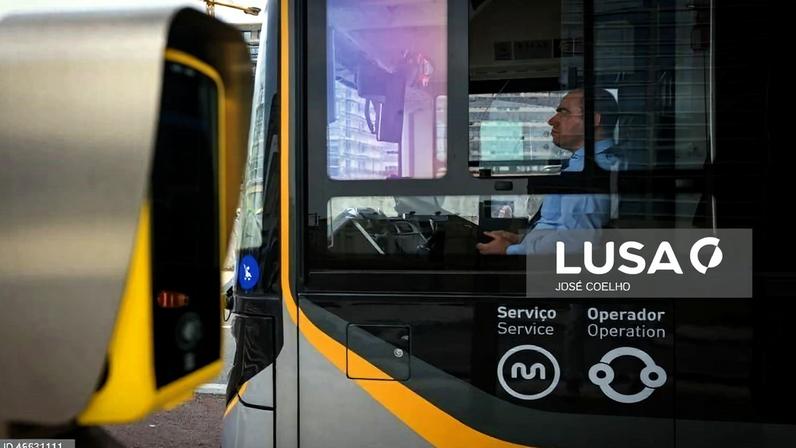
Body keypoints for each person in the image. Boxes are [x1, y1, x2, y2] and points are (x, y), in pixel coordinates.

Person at [476, 88, 622, 255]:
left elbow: (577, 242)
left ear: (592, 120)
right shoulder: (582, 165)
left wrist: (510, 250)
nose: (552, 121)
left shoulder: (590, 171)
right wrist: (522, 239)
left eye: (564, 113)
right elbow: (559, 226)